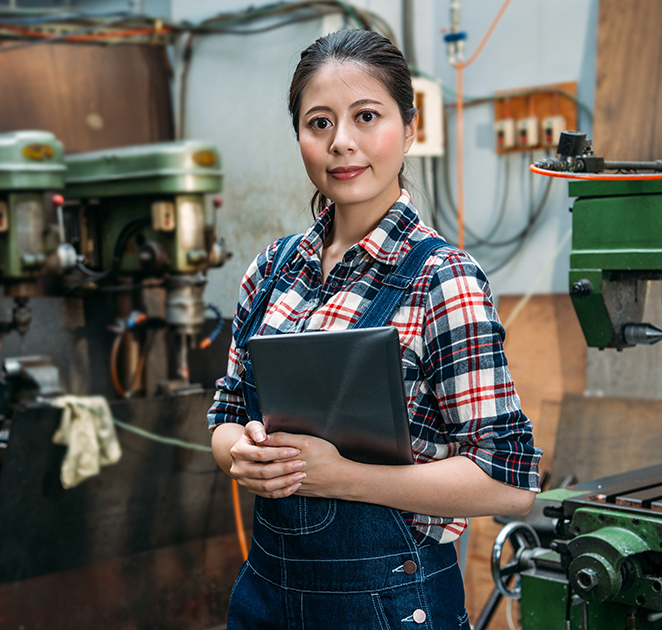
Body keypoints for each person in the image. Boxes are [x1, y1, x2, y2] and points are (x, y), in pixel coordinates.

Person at [206, 29, 541, 629]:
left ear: (409, 129)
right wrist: (243, 455)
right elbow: (226, 416)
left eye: (366, 116)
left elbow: (507, 482)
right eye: (319, 123)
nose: (343, 143)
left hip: (388, 602)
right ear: (300, 137)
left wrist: (344, 477)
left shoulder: (442, 278)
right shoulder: (272, 269)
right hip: (266, 595)